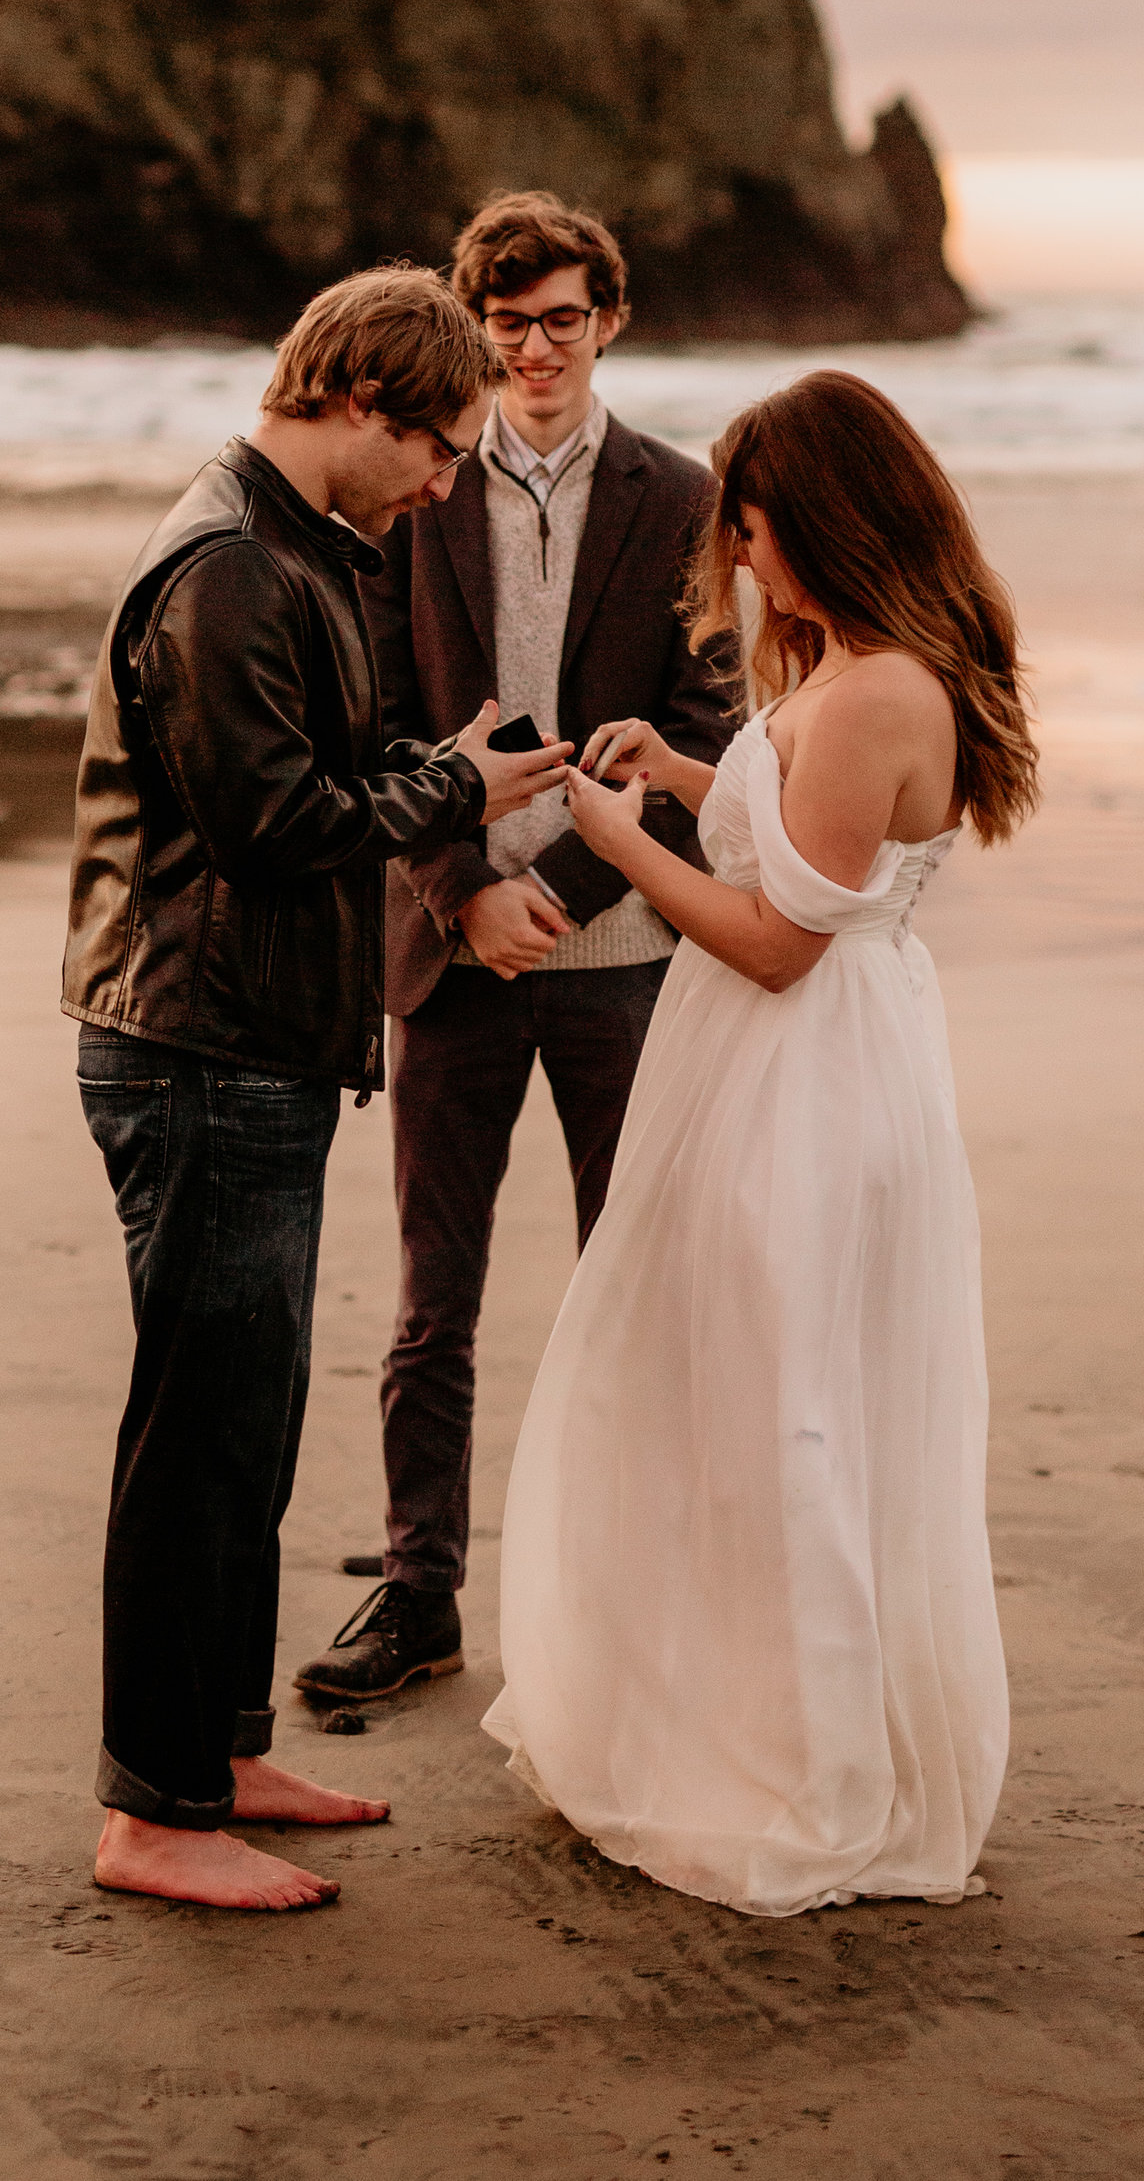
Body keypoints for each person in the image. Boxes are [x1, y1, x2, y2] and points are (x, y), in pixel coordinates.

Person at [484, 369, 1038, 1915]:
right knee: (730, 1396)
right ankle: (738, 1719)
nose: (739, 553)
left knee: (788, 1413)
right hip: (779, 1070)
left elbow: (781, 940)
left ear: (826, 517)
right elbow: (799, 840)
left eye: (753, 523)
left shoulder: (876, 692)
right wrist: (684, 774)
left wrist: (622, 843)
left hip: (805, 1083)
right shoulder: (856, 671)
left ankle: (808, 1763)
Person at [64, 264, 573, 1915]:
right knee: (199, 1436)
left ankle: (217, 1754)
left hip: (247, 1042)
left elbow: (314, 779)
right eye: (433, 445)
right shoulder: (227, 564)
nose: (443, 483)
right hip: (197, 1045)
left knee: (250, 1425)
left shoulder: (294, 544)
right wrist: (455, 789)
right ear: (359, 398)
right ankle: (154, 1811)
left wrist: (442, 769)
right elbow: (273, 822)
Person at [296, 192, 740, 1714]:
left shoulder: (683, 497)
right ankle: (418, 1596)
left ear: (608, 320)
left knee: (634, 1294)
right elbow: (365, 720)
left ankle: (633, 1605)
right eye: (507, 326)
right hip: (450, 961)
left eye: (561, 320)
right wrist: (458, 892)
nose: (535, 351)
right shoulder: (416, 487)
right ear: (478, 332)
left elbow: (705, 722)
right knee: (434, 1308)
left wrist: (544, 881)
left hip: (624, 960)